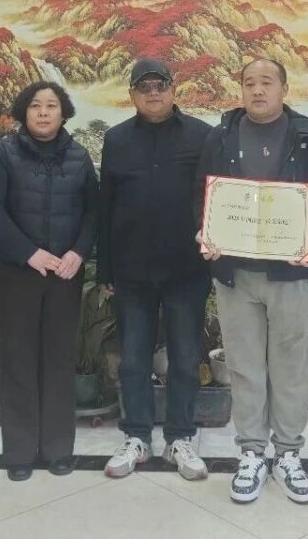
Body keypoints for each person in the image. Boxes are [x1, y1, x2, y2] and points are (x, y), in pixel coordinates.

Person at [195, 58, 308, 505]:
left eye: (266, 82)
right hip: (235, 274)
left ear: (284, 88)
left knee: (292, 366)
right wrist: (206, 232)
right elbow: (202, 193)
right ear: (240, 89)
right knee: (244, 365)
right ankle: (252, 453)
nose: (257, 90)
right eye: (249, 83)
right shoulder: (220, 136)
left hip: (290, 274)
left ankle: (289, 453)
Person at [0, 81, 99, 482]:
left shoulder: (80, 157)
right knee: (18, 360)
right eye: (35, 106)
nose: (44, 112)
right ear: (24, 112)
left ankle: (58, 450)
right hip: (19, 273)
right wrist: (28, 253)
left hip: (64, 273)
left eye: (51, 105)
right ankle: (19, 452)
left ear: (64, 113)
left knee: (59, 360)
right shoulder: (4, 154)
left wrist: (78, 252)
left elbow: (93, 212)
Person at [99, 59, 213, 481]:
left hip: (187, 269)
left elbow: (214, 197)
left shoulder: (202, 135)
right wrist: (106, 269)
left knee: (184, 359)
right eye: (143, 87)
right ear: (131, 94)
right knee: (133, 360)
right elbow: (105, 205)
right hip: (131, 270)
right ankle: (137, 436)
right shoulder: (116, 140)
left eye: (159, 85)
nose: (152, 93)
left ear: (173, 89)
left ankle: (180, 437)